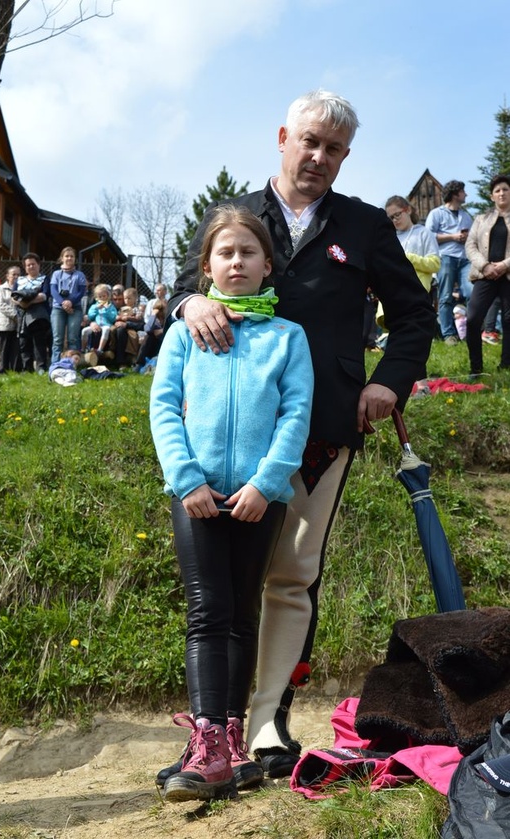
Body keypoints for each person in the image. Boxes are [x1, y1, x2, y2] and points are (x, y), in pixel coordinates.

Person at [157, 89, 436, 784]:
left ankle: (265, 722)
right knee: (219, 590)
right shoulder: (237, 217)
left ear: (344, 157)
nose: (317, 156)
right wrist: (189, 302)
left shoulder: (366, 226)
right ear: (283, 137)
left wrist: (387, 383)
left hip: (320, 432)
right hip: (226, 437)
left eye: (333, 148)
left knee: (291, 576)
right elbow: (181, 287)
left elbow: (413, 317)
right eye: (308, 141)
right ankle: (210, 730)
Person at [149, 205, 314, 802]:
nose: (237, 261)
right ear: (207, 266)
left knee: (243, 613)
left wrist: (267, 484)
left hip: (256, 499)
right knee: (205, 614)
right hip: (195, 495)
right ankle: (206, 737)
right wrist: (186, 478)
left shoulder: (288, 338)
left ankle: (230, 743)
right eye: (225, 253)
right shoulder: (183, 332)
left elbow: (296, 415)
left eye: (248, 252)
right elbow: (164, 407)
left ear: (267, 265)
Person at [378, 196, 441, 344]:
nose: (394, 220)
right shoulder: (390, 237)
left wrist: (409, 258)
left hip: (416, 293)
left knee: (413, 336)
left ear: (408, 210)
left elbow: (435, 264)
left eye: (397, 214)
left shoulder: (423, 233)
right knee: (397, 335)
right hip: (393, 294)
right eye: (391, 217)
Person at [464, 174, 510, 375]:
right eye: (497, 190)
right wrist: (485, 266)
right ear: (492, 196)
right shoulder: (481, 219)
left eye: (505, 189)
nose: (501, 193)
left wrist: (504, 265)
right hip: (485, 275)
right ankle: (476, 368)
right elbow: (470, 245)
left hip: (508, 275)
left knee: (509, 321)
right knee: (473, 319)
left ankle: (506, 364)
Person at [425, 180, 473, 344]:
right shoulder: (436, 214)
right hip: (446, 257)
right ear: (455, 194)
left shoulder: (466, 216)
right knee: (445, 296)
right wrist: (453, 237)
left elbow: (473, 238)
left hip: (465, 259)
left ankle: (472, 332)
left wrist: (467, 238)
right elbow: (429, 237)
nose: (466, 194)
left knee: (471, 292)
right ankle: (449, 335)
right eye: (463, 191)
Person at [14, 253, 51, 374]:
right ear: (25, 267)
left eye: (33, 264)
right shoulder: (20, 280)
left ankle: (41, 367)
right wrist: (22, 304)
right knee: (24, 342)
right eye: (28, 265)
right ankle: (27, 368)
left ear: (38, 265)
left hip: (38, 316)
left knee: (39, 341)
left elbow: (44, 295)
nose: (31, 267)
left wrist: (27, 303)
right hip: (22, 314)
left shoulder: (44, 279)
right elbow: (13, 296)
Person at [49, 247, 87, 363]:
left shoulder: (79, 275)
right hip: (58, 308)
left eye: (71, 256)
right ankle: (55, 365)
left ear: (75, 259)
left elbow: (81, 292)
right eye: (66, 256)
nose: (69, 258)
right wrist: (63, 303)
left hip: (75, 308)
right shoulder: (56, 274)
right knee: (57, 339)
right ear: (62, 258)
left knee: (73, 338)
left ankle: (72, 365)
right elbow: (53, 290)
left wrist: (70, 302)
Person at [0, 264, 21, 373]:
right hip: (4, 324)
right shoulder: (1, 288)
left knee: (15, 348)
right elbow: (1, 305)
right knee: (4, 349)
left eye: (18, 275)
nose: (16, 277)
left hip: (18, 324)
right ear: (7, 276)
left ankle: (14, 371)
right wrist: (15, 315)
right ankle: (2, 370)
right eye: (13, 274)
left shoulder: (22, 289)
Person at [81, 283, 118, 357]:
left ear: (108, 296)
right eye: (100, 297)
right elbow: (90, 316)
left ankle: (100, 349)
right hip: (96, 325)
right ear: (97, 298)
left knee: (106, 330)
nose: (102, 298)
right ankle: (83, 348)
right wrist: (96, 309)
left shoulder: (111, 307)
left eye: (104, 296)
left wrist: (107, 309)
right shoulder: (94, 306)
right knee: (84, 331)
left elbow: (113, 318)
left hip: (106, 325)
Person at [134, 299, 166, 371]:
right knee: (149, 336)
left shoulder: (169, 319)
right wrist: (153, 315)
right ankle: (139, 364)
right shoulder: (155, 321)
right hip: (154, 347)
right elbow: (147, 329)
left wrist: (162, 330)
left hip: (165, 344)